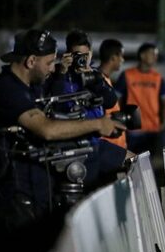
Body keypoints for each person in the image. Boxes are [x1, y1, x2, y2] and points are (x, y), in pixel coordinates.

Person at [0, 29, 124, 252]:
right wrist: (96, 125)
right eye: (49, 62)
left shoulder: (30, 87)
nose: (53, 67)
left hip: (36, 197)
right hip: (16, 201)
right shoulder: (7, 90)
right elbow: (46, 129)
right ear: (30, 61)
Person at [44, 29, 128, 189]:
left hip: (96, 142)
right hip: (70, 145)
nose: (81, 60)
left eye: (85, 55)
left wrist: (93, 78)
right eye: (77, 55)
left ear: (90, 54)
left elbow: (110, 101)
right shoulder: (58, 75)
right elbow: (54, 104)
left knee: (134, 162)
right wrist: (62, 72)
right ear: (68, 54)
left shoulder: (95, 75)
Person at [115, 42, 165, 155]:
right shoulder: (127, 75)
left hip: (152, 129)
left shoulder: (158, 78)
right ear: (142, 55)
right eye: (152, 54)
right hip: (133, 129)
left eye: (156, 55)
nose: (155, 57)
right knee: (131, 161)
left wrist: (163, 122)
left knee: (148, 165)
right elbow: (117, 99)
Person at [98, 38, 127, 149]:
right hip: (108, 148)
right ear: (114, 58)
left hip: (114, 148)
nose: (122, 60)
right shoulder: (98, 83)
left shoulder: (105, 79)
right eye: (121, 56)